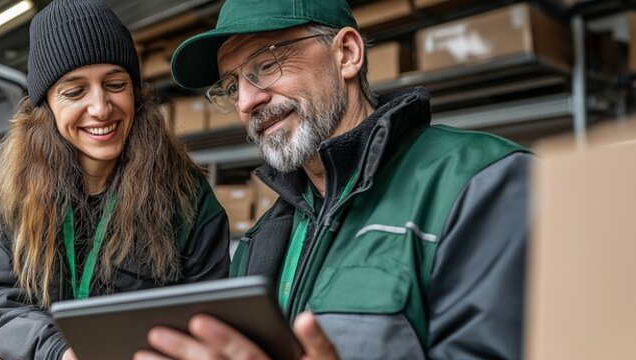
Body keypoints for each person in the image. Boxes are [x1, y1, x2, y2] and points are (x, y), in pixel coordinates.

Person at [137, 1, 532, 359]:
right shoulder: (260, 242)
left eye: (265, 65)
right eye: (231, 85)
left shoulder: (478, 182)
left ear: (346, 54)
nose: (245, 102)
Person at [0, 0, 231, 359]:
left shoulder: (188, 199)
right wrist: (61, 351)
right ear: (46, 107)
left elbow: (209, 322)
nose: (101, 107)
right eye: (75, 91)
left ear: (136, 94)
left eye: (115, 84)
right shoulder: (15, 193)